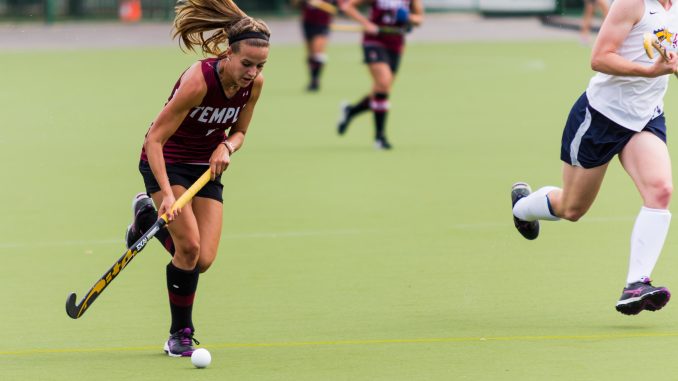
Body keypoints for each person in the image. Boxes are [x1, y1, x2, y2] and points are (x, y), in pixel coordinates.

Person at [511, 0, 677, 316]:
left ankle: (636, 284)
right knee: (571, 208)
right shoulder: (632, 4)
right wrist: (649, 71)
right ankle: (522, 207)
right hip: (601, 118)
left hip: (645, 117)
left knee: (661, 190)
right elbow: (600, 58)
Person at [123, 0, 270, 357]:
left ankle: (144, 221)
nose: (252, 72)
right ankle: (180, 333)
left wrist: (227, 148)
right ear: (229, 54)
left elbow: (240, 133)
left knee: (202, 259)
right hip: (166, 160)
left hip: (205, 168)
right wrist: (168, 197)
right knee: (187, 249)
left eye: (260, 65)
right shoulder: (199, 80)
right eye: (246, 63)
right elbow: (153, 139)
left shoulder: (255, 84)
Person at [337, 0, 423, 150]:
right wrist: (366, 23)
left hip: (396, 44)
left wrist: (408, 18)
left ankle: (351, 111)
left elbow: (419, 19)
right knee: (383, 83)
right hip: (374, 41)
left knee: (381, 91)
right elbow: (347, 6)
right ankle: (380, 137)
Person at [293, 0, 344, 91]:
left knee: (318, 52)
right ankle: (312, 79)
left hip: (322, 23)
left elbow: (341, 6)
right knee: (310, 54)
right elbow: (295, 3)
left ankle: (315, 80)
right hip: (307, 22)